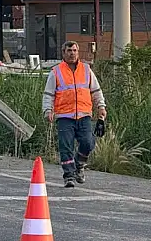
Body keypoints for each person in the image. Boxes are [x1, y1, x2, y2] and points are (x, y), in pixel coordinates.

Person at [41, 41, 107, 187]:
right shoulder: (56, 72)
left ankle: (79, 164)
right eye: (69, 50)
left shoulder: (86, 70)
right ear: (63, 52)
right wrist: (48, 110)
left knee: (88, 143)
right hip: (64, 116)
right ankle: (69, 175)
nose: (72, 53)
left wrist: (101, 106)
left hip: (84, 115)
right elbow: (48, 94)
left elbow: (96, 90)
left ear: (78, 52)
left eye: (75, 50)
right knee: (66, 146)